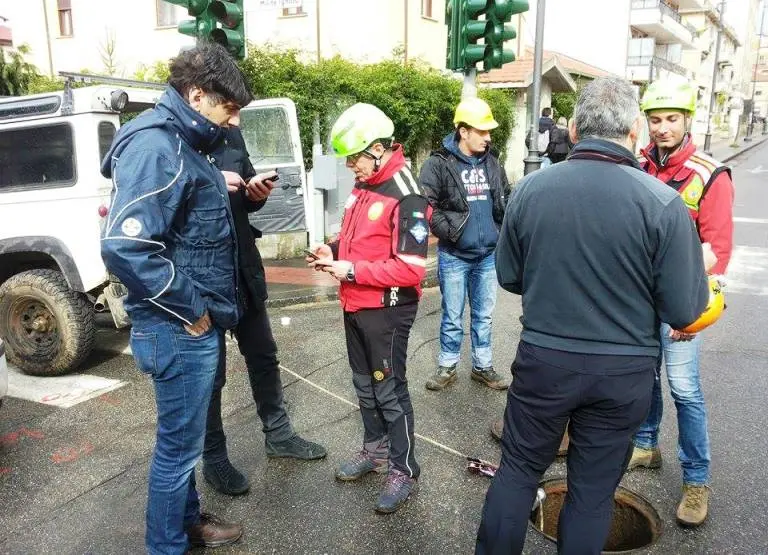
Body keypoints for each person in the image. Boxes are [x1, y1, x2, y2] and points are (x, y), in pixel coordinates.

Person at [476, 76, 710, 554]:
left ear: (576, 131)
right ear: (633, 132)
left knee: (518, 472)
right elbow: (685, 311)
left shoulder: (530, 189)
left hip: (546, 359)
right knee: (592, 493)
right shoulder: (663, 203)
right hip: (623, 373)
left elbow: (509, 277)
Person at [100, 43, 252, 554]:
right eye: (228, 109)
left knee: (183, 447)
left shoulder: (184, 143)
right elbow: (126, 246)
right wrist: (193, 309)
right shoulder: (158, 146)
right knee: (176, 452)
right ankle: (167, 545)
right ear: (196, 93)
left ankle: (187, 524)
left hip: (186, 325)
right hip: (178, 327)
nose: (232, 123)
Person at [307, 103, 430, 514]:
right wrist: (333, 250)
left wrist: (350, 269)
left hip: (387, 310)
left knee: (390, 391)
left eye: (354, 157)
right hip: (355, 302)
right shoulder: (365, 185)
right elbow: (359, 239)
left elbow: (411, 268)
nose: (349, 166)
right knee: (364, 385)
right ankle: (374, 452)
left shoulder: (406, 192)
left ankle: (403, 468)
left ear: (377, 149)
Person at [629, 78, 735, 527]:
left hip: (681, 302)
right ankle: (646, 445)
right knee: (644, 377)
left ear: (687, 120)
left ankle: (696, 480)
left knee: (685, 389)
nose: (662, 128)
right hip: (640, 301)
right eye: (655, 120)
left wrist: (686, 307)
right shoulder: (637, 166)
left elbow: (717, 250)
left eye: (671, 119)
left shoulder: (710, 174)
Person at [202, 126, 327, 496]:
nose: (235, 117)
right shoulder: (174, 141)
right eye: (230, 107)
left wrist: (257, 194)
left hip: (244, 268)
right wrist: (209, 182)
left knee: (264, 357)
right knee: (210, 376)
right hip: (204, 277)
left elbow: (245, 200)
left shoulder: (233, 136)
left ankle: (279, 435)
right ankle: (214, 458)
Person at [419, 97, 509, 392]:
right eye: (482, 131)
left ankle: (482, 366)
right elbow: (425, 206)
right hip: (455, 255)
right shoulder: (438, 163)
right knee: (453, 316)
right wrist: (450, 233)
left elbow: (504, 198)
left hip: (487, 257)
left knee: (483, 316)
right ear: (463, 130)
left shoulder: (493, 163)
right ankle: (447, 366)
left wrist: (499, 230)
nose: (488, 137)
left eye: (488, 132)